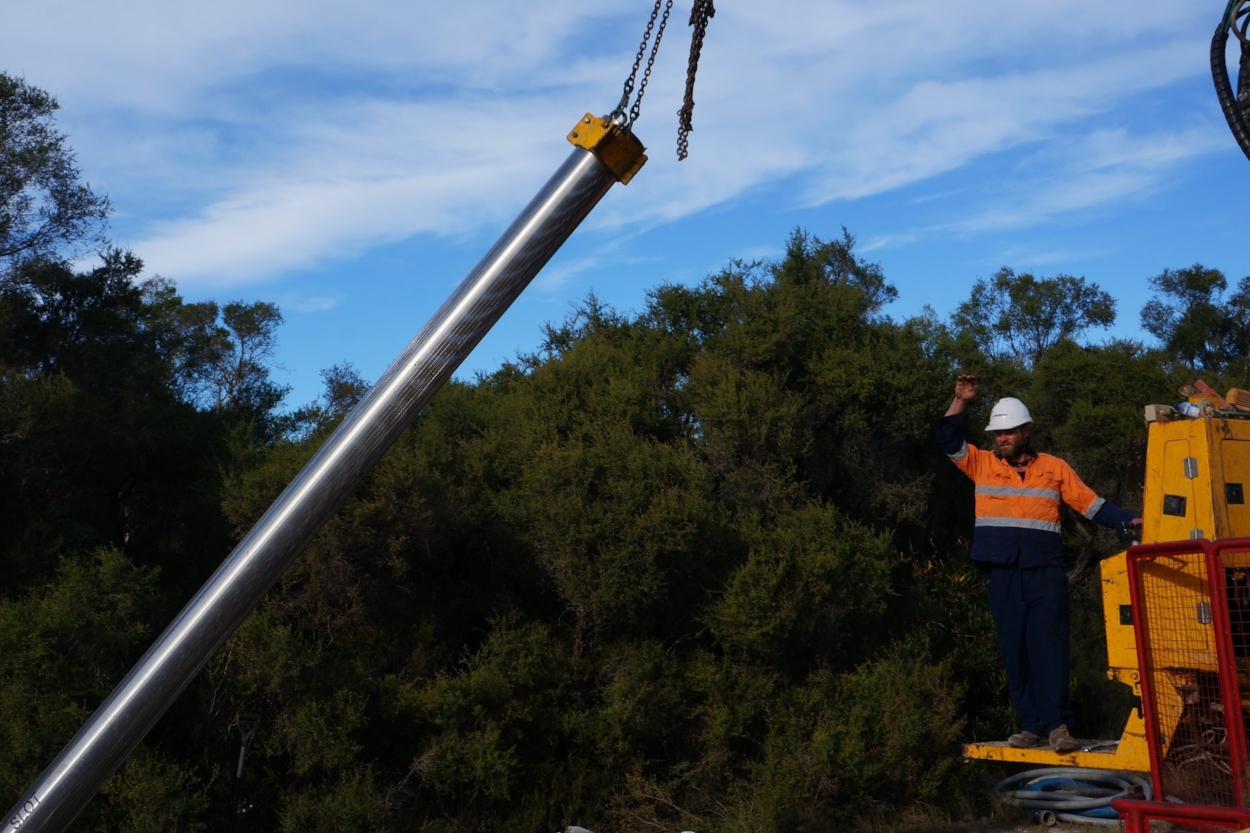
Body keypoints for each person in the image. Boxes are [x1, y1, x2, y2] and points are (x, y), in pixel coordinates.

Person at [937, 374, 1141, 753]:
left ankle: (1057, 726)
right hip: (1002, 572)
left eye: (1010, 432)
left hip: (1044, 572)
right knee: (1014, 649)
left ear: (1026, 431)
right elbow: (947, 440)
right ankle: (1030, 725)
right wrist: (960, 401)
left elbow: (1091, 504)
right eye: (998, 433)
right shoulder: (981, 464)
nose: (1003, 438)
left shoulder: (1054, 467)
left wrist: (1127, 520)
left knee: (1049, 647)